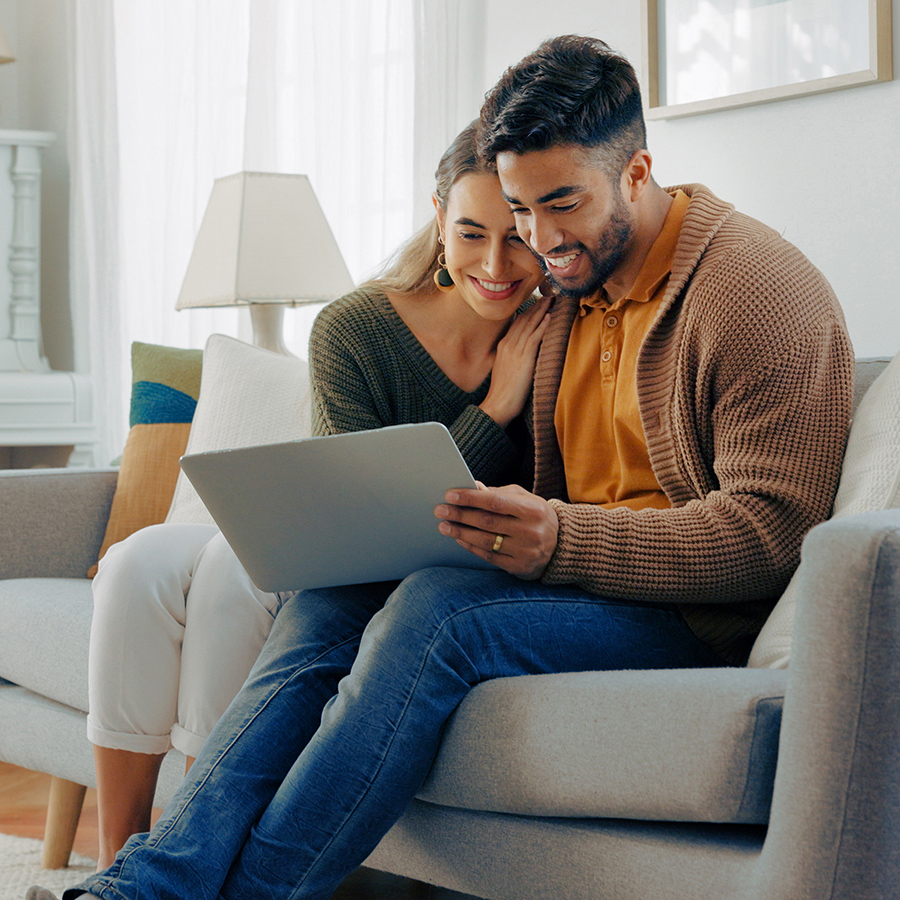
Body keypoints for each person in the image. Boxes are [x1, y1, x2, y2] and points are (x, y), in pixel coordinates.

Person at [31, 34, 853, 900]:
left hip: (690, 611)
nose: (538, 242)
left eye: (560, 205)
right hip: (574, 581)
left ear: (639, 171)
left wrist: (560, 539)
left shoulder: (754, 293)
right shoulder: (570, 285)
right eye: (519, 209)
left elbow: (772, 536)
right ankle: (143, 886)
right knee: (333, 596)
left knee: (439, 612)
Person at [82, 120, 548, 869]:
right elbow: (353, 517)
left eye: (517, 236)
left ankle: (185, 861)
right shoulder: (356, 327)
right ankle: (121, 860)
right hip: (330, 545)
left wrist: (510, 400)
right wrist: (493, 412)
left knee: (235, 582)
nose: (496, 264)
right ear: (437, 220)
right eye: (470, 233)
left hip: (397, 574)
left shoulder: (554, 336)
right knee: (137, 565)